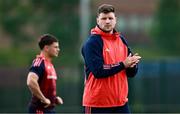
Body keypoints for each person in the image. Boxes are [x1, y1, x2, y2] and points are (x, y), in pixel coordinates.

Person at [81, 4, 141, 113]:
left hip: (121, 103)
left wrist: (132, 65)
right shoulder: (92, 43)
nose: (107, 21)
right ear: (97, 20)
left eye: (110, 18)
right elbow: (98, 71)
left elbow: (131, 73)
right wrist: (123, 64)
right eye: (104, 18)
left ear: (115, 20)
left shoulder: (121, 40)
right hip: (97, 104)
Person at [27, 34, 63, 113]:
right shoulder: (39, 62)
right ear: (46, 48)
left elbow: (45, 88)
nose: (58, 49)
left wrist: (54, 99)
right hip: (39, 110)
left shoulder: (50, 64)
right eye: (55, 47)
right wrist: (43, 99)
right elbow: (30, 82)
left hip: (50, 109)